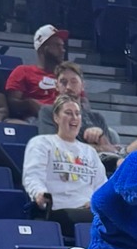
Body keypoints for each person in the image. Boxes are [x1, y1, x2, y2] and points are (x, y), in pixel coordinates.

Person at [22, 94, 104, 228]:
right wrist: (39, 193)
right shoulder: (42, 143)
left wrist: (96, 202)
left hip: (88, 209)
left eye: (77, 114)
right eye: (68, 113)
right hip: (58, 209)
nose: (74, 118)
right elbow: (33, 175)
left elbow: (101, 185)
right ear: (56, 118)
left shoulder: (90, 151)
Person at [5, 25, 67, 119]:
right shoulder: (23, 71)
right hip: (36, 119)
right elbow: (12, 103)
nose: (63, 50)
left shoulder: (68, 75)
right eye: (57, 45)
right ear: (43, 48)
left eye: (62, 46)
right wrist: (28, 103)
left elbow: (83, 102)